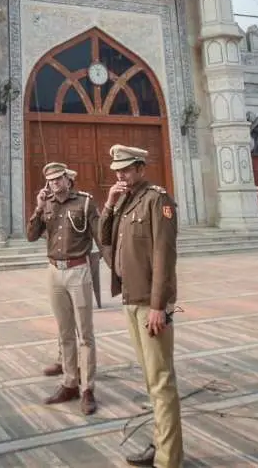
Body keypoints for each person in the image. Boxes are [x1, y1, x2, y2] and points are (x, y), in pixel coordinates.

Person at [98, 145, 182, 468]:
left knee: (161, 381)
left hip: (150, 303)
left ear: (141, 168)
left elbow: (164, 256)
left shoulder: (157, 200)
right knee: (151, 379)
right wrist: (109, 204)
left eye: (127, 169)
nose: (121, 175)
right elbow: (103, 238)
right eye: (118, 169)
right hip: (131, 299)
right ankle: (161, 444)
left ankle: (168, 460)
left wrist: (159, 305)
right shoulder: (126, 201)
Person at [26, 162, 100, 415]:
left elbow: (102, 236)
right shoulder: (47, 205)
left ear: (69, 179)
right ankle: (69, 382)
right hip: (54, 272)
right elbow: (31, 235)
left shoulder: (85, 203)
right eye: (51, 180)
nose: (55, 183)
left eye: (59, 178)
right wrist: (37, 207)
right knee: (65, 332)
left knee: (85, 335)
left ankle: (87, 388)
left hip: (78, 270)